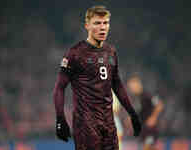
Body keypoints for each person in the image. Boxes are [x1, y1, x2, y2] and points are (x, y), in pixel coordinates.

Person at [53, 5, 141, 150]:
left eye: (105, 23)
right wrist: (60, 119)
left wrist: (132, 113)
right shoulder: (75, 53)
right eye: (97, 23)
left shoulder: (111, 52)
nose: (102, 27)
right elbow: (59, 88)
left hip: (108, 123)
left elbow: (117, 85)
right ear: (87, 25)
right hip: (86, 124)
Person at [127, 74, 164, 150]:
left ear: (138, 84)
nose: (131, 89)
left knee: (147, 147)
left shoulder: (147, 94)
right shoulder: (136, 98)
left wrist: (153, 118)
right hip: (143, 128)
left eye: (132, 86)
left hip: (151, 128)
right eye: (130, 87)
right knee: (149, 148)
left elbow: (159, 105)